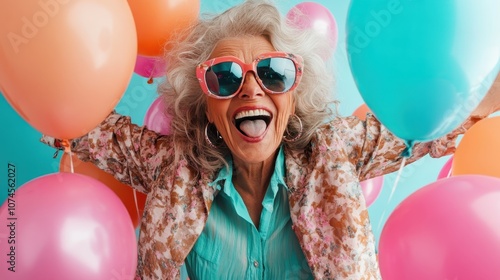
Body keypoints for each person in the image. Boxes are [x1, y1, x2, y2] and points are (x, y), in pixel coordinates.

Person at [43, 0, 499, 279]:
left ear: (293, 92)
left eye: (273, 72)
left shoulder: (333, 152)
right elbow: (67, 114)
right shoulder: (171, 166)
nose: (250, 88)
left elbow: (453, 116)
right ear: (205, 103)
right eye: (225, 77)